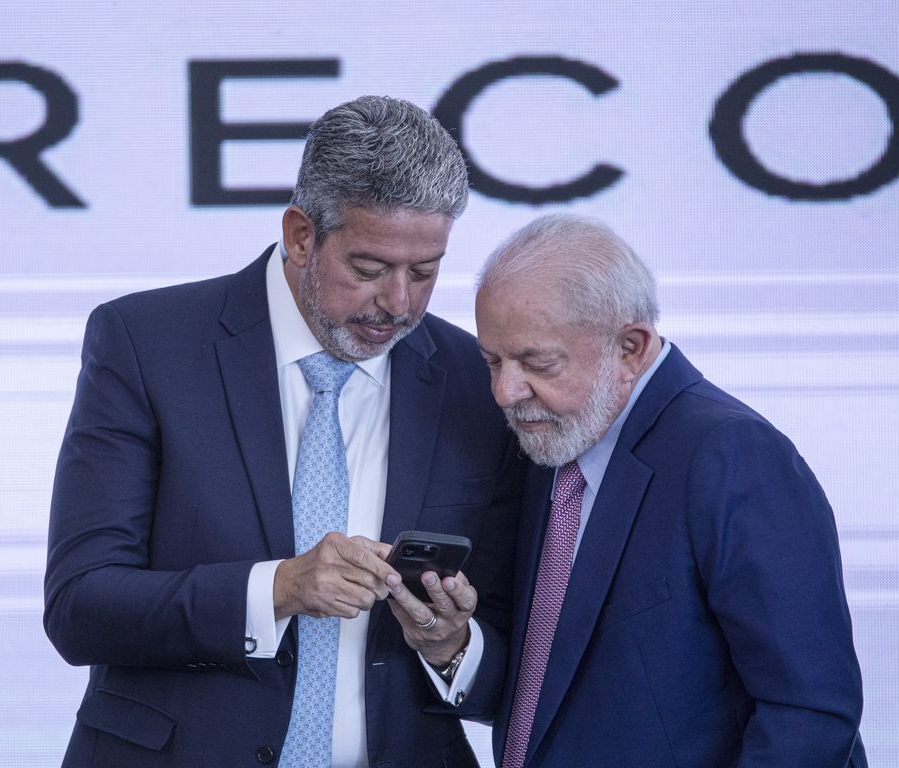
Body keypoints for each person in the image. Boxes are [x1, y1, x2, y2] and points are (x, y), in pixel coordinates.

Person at [43, 95, 523, 768]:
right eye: (369, 268)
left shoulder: (477, 384)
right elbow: (80, 606)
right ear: (301, 235)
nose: (399, 303)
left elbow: (517, 656)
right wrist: (278, 589)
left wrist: (454, 645)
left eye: (425, 271)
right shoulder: (147, 345)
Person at [474, 213, 867, 767]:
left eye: (537, 362)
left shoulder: (733, 455)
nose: (505, 391)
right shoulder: (558, 437)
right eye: (491, 360)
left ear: (631, 347)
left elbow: (809, 712)